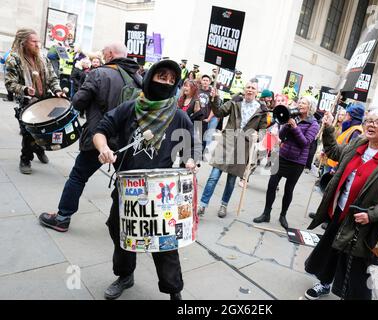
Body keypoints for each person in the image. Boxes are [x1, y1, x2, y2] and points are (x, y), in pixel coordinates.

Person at [92, 59, 199, 300]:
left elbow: (190, 149)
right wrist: (104, 148)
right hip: (127, 188)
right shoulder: (130, 108)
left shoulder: (179, 117)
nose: (167, 82)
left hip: (160, 193)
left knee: (164, 243)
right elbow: (101, 130)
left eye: (172, 80)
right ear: (151, 78)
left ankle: (174, 291)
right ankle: (125, 275)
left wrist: (190, 162)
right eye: (162, 76)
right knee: (119, 230)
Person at [303, 109, 378, 300]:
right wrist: (328, 129)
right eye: (369, 120)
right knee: (332, 251)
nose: (371, 124)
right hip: (341, 212)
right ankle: (325, 283)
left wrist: (372, 214)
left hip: (366, 223)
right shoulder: (358, 144)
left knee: (359, 268)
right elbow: (335, 152)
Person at [38, 42, 141, 232]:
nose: (101, 55)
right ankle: (127, 224)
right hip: (125, 141)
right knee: (126, 183)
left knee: (78, 177)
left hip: (99, 137)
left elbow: (78, 102)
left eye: (103, 52)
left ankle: (62, 218)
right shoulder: (138, 78)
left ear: (110, 54)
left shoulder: (99, 73)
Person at [198, 80, 268, 218]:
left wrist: (257, 135)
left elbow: (263, 131)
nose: (250, 90)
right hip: (227, 142)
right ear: (244, 89)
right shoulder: (235, 102)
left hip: (243, 146)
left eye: (253, 88)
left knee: (231, 180)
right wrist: (214, 99)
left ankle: (224, 205)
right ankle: (202, 205)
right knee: (213, 177)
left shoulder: (262, 110)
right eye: (248, 87)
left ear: (257, 92)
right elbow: (219, 112)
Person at [253, 96, 319, 229]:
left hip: (297, 162)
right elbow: (282, 136)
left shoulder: (314, 124)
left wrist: (295, 127)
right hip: (282, 157)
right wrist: (287, 125)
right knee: (272, 185)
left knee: (289, 189)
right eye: (299, 102)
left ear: (310, 107)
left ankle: (283, 215)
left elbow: (305, 142)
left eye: (303, 103)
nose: (300, 104)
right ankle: (266, 213)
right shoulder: (293, 118)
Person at [5, 28, 64, 174]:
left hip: (44, 100)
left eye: (38, 41)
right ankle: (25, 159)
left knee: (44, 131)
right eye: (34, 41)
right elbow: (9, 83)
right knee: (28, 133)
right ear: (23, 43)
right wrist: (24, 89)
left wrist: (57, 90)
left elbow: (52, 78)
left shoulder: (42, 57)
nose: (38, 44)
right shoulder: (14, 59)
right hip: (27, 103)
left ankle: (38, 149)